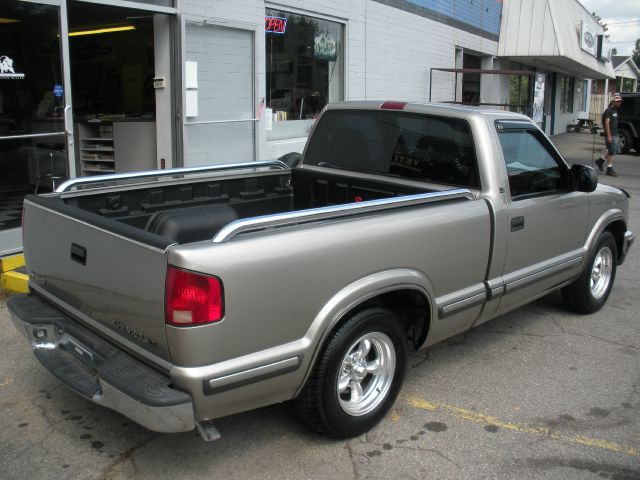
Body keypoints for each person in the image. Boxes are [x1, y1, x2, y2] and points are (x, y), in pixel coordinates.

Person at [596, 94, 623, 177]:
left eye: (620, 102)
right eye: (618, 102)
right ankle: (609, 169)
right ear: (614, 101)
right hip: (611, 134)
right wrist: (609, 136)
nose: (619, 103)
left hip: (615, 134)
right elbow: (607, 123)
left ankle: (600, 161)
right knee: (611, 151)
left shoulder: (615, 110)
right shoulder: (608, 111)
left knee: (614, 151)